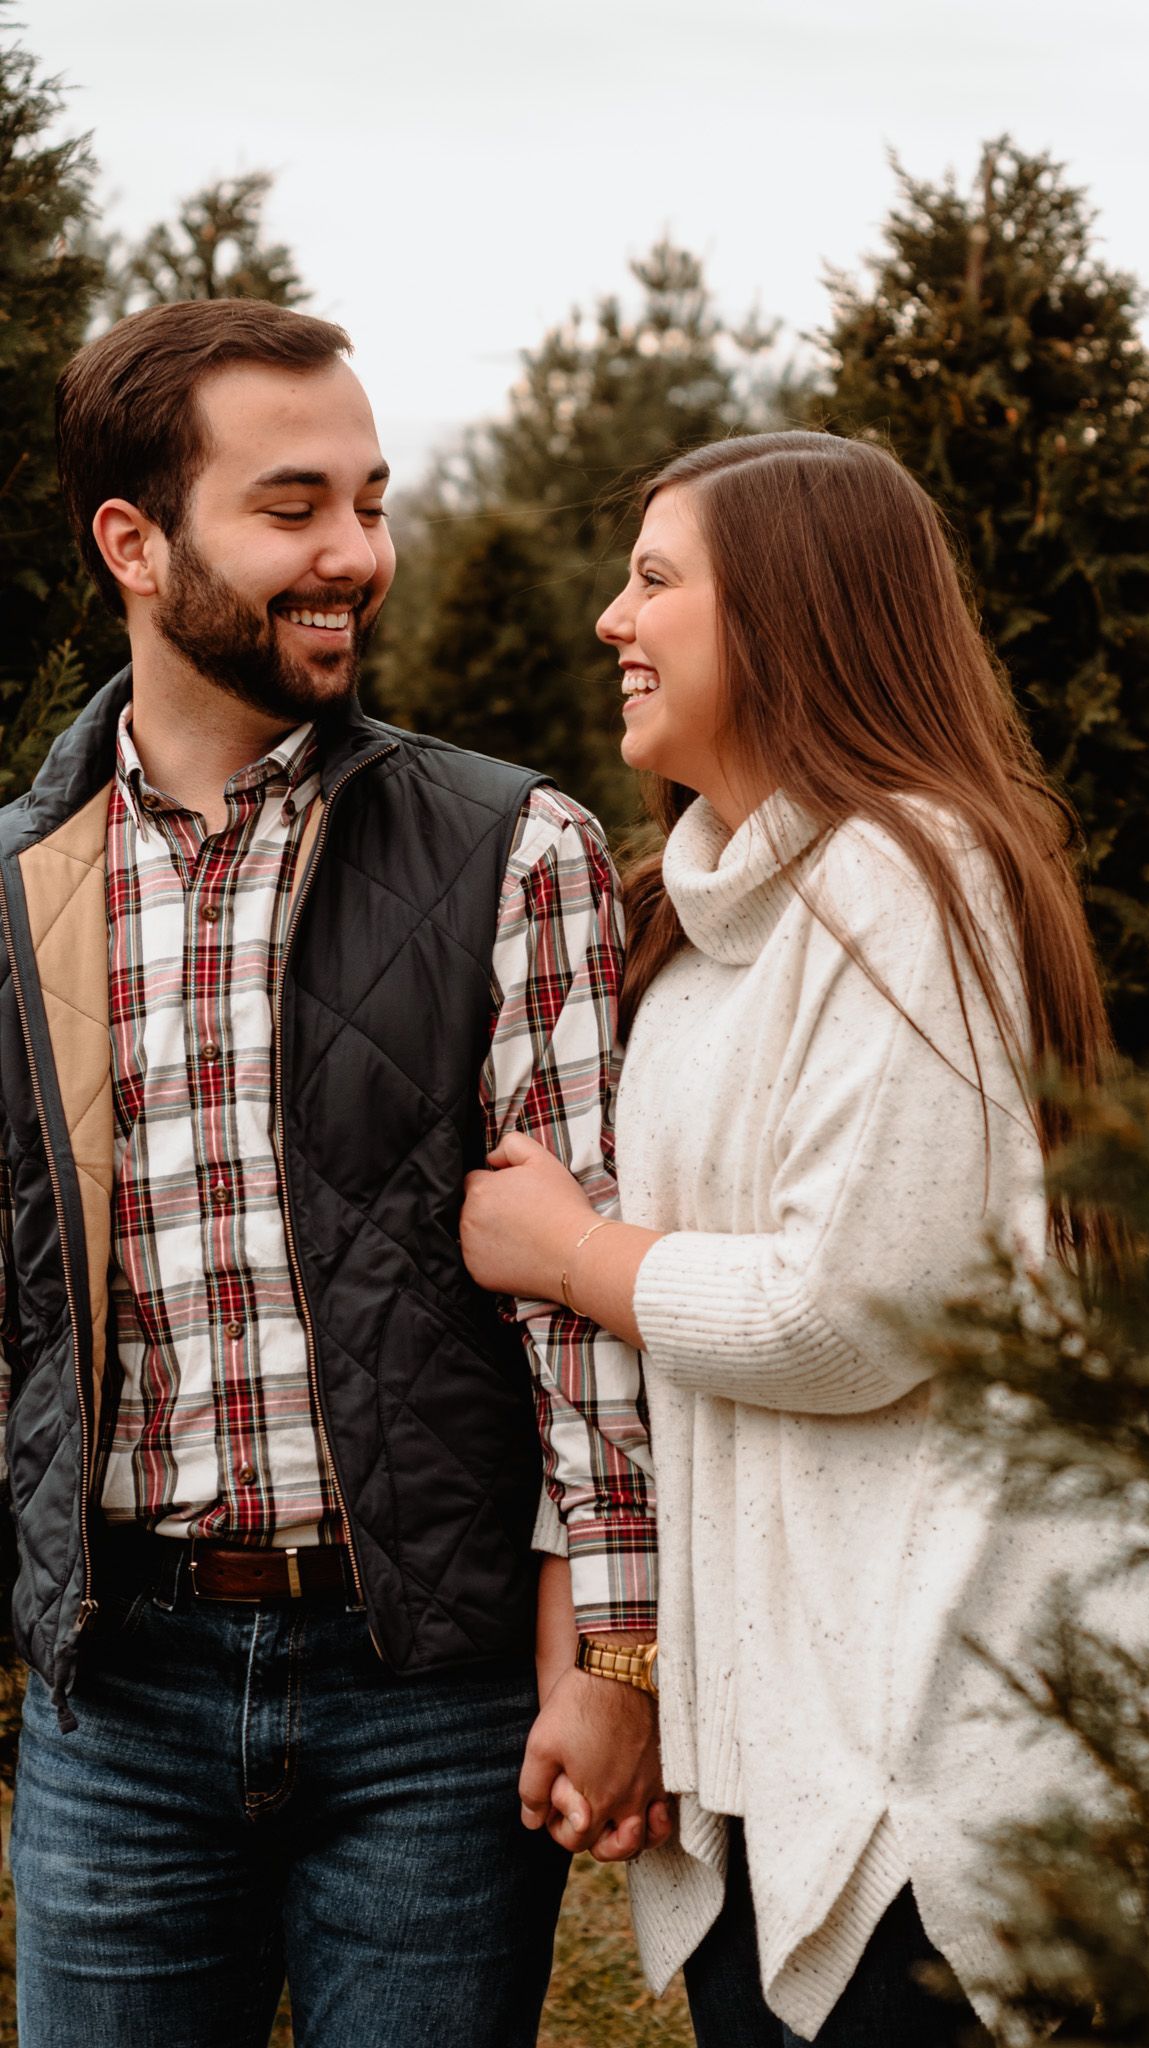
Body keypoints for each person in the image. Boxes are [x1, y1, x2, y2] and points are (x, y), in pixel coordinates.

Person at [461, 430, 1149, 2045]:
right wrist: (629, 1667)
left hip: (936, 1754)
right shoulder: (695, 908)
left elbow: (855, 1315)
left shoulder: (909, 872)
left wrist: (575, 1250)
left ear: (791, 617)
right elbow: (662, 1377)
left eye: (656, 579)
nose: (611, 618)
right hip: (779, 1748)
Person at [0, 297, 666, 2047]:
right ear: (134, 544)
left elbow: (580, 1320)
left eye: (370, 503)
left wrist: (615, 1655)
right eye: (293, 509)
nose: (355, 556)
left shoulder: (515, 846)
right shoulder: (16, 889)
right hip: (114, 1704)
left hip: (425, 1706)